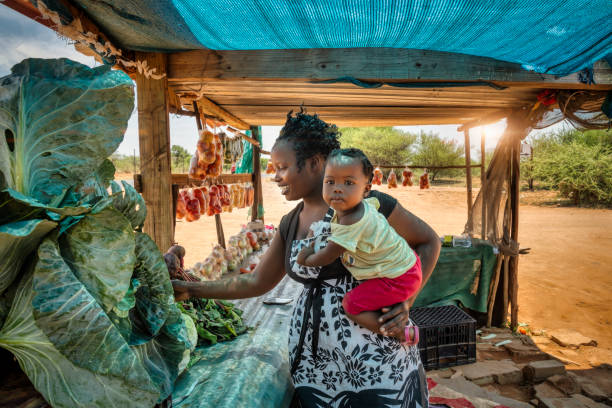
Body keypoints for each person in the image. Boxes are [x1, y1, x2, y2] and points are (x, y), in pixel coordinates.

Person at [172, 110, 441, 407]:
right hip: (315, 364)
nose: (275, 177)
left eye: (283, 167)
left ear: (314, 164)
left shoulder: (367, 208)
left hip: (375, 361)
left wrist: (407, 300)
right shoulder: (290, 221)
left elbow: (429, 242)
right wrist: (193, 289)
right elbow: (255, 281)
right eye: (273, 168)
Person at [296, 148, 421, 345]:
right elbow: (374, 208)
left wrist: (305, 258)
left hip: (398, 279)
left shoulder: (352, 222)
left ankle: (399, 332)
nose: (337, 188)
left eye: (348, 183)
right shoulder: (366, 204)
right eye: (330, 182)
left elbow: (327, 256)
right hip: (407, 263)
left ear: (366, 189)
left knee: (351, 305)